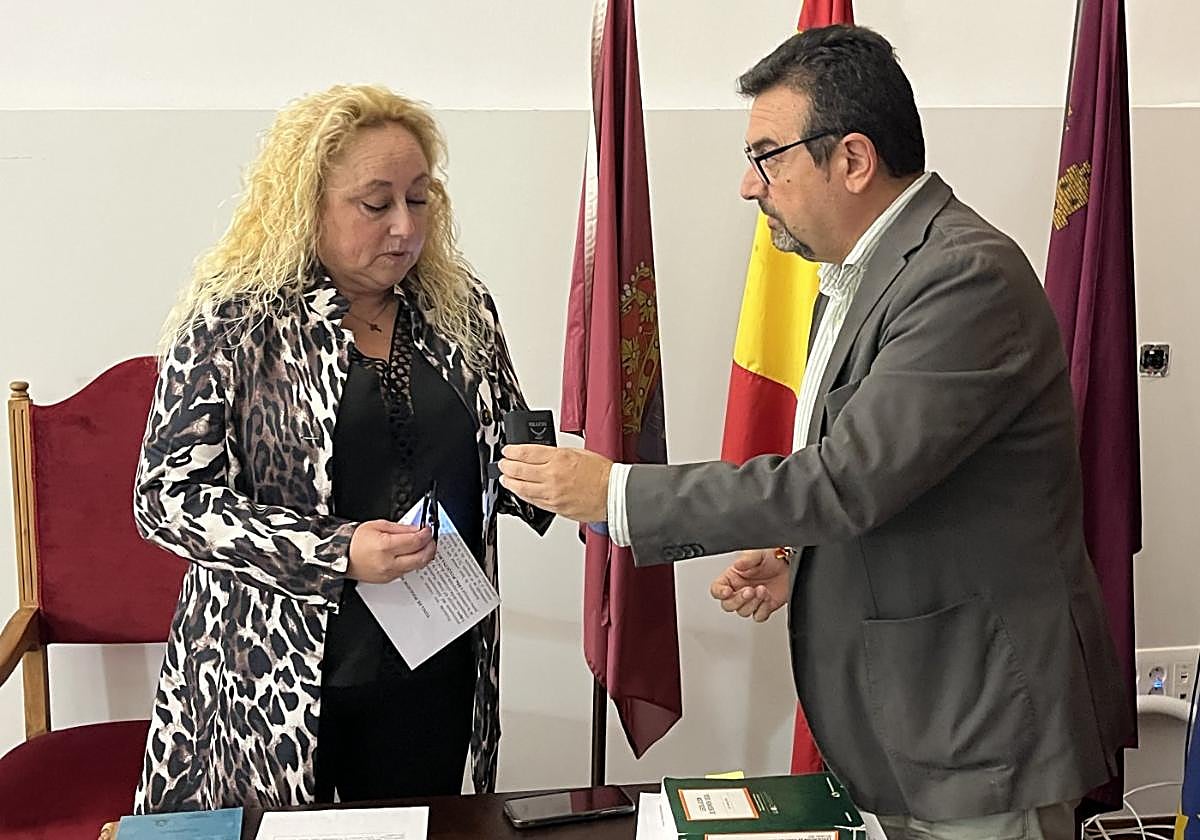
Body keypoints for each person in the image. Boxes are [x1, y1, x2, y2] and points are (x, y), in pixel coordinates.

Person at [498, 25, 1132, 839]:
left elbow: (845, 479)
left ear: (853, 160)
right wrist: (805, 559)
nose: (748, 185)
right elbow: (909, 476)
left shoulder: (962, 278)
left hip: (981, 727)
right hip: (914, 720)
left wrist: (617, 492)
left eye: (768, 156)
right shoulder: (862, 270)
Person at [133, 84, 551, 813]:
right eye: (375, 202)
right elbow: (167, 500)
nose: (403, 227)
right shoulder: (234, 320)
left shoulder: (461, 308)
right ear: (309, 204)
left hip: (436, 653)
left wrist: (581, 483)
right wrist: (335, 550)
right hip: (280, 674)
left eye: (419, 200)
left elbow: (502, 446)